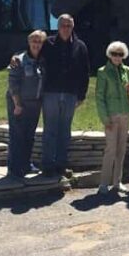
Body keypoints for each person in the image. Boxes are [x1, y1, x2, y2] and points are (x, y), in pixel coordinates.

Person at [40, 14, 90, 178]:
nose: (66, 28)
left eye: (69, 25)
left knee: (64, 130)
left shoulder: (80, 46)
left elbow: (85, 71)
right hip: (51, 93)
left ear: (73, 27)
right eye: (63, 25)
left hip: (70, 94)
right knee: (50, 130)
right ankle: (47, 165)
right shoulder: (48, 43)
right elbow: (35, 57)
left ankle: (61, 165)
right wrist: (16, 59)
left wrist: (81, 95)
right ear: (58, 26)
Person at [95, 41, 129, 196]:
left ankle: (117, 182)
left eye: (120, 54)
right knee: (110, 149)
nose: (117, 57)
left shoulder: (128, 70)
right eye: (114, 54)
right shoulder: (103, 71)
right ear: (109, 54)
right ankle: (103, 183)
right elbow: (99, 97)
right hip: (111, 115)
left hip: (126, 113)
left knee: (121, 149)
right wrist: (105, 119)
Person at [6, 30, 46, 178]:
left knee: (29, 135)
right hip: (19, 103)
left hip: (34, 104)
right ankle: (14, 168)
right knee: (17, 135)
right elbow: (13, 83)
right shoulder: (19, 60)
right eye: (34, 41)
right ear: (29, 42)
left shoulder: (43, 60)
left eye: (39, 41)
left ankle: (26, 164)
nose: (36, 44)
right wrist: (17, 104)